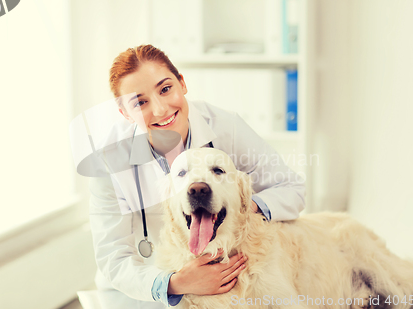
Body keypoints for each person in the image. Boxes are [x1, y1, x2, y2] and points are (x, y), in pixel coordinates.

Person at [88, 44, 305, 308]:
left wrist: (244, 205)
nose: (160, 109)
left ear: (182, 83)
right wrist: (176, 282)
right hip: (143, 286)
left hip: (221, 276)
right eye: (140, 102)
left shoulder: (226, 127)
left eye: (165, 89)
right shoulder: (107, 161)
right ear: (124, 113)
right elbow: (114, 256)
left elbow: (292, 187)